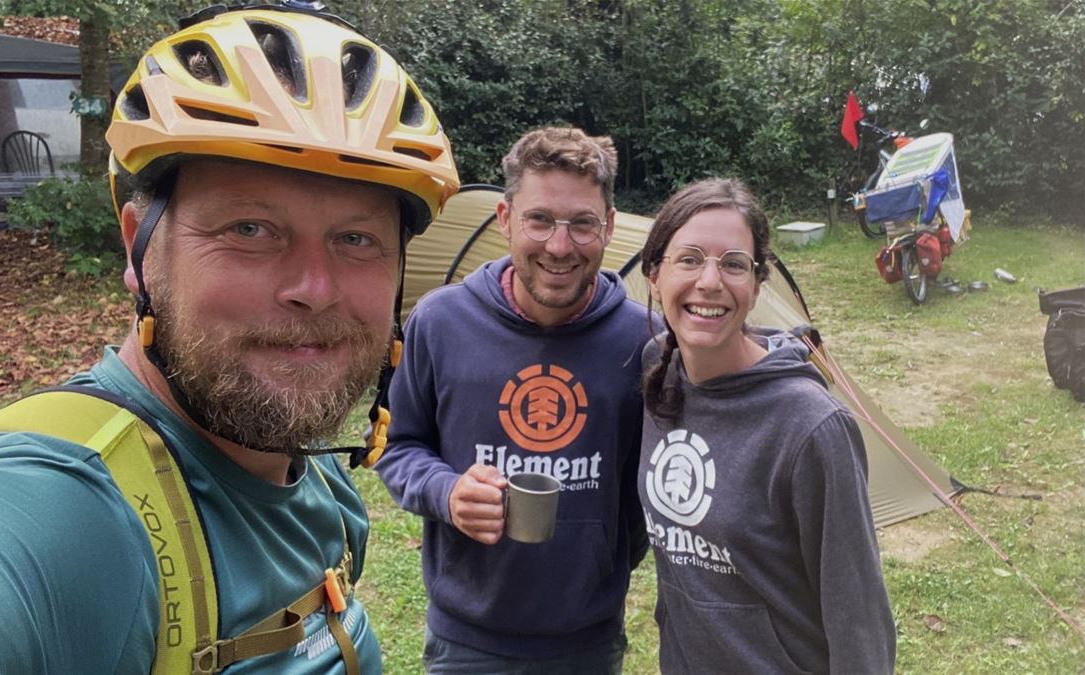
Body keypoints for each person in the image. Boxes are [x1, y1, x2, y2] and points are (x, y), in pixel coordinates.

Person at [0, 3, 459, 673]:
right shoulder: (63, 504)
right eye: (250, 228)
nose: (315, 287)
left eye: (357, 239)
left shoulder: (317, 472)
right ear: (138, 247)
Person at [375, 127, 650, 673]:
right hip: (465, 642)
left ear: (609, 228)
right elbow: (398, 446)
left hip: (587, 642)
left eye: (582, 223)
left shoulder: (643, 341)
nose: (559, 245)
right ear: (505, 219)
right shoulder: (440, 322)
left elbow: (650, 485)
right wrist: (448, 491)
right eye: (540, 219)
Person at [637, 178, 896, 673]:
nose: (710, 281)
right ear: (654, 276)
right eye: (689, 259)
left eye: (733, 263)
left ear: (756, 288)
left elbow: (859, 618)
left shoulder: (812, 427)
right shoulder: (659, 374)